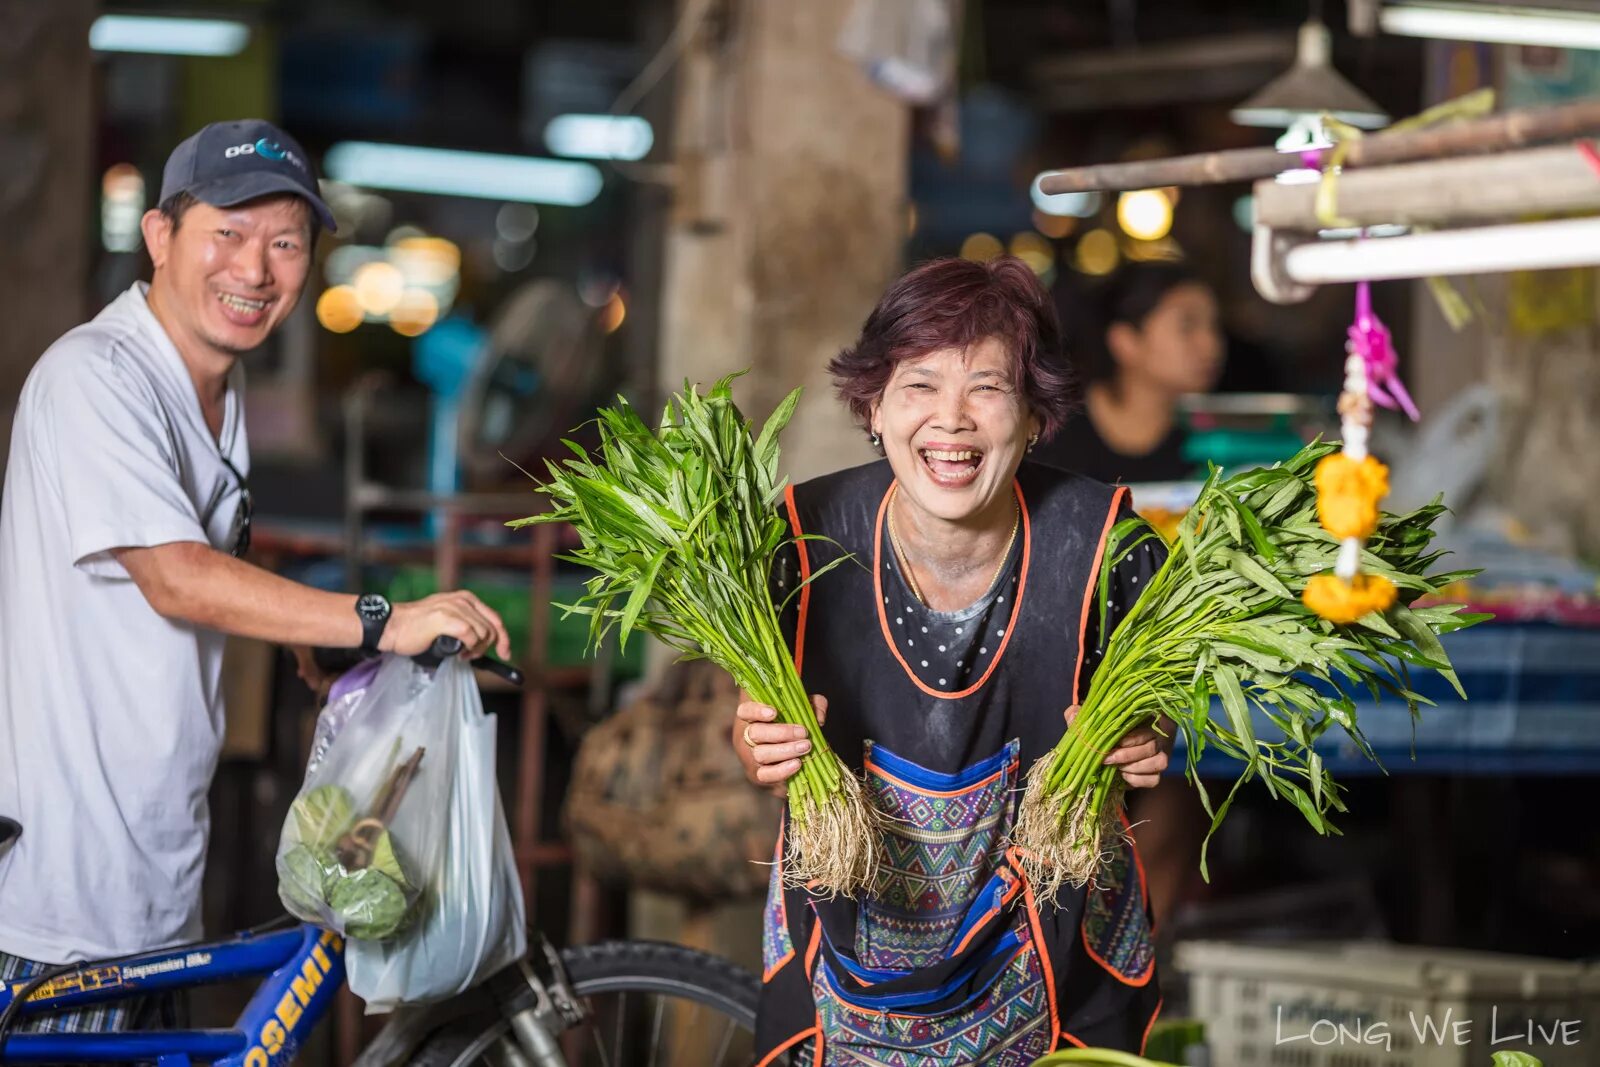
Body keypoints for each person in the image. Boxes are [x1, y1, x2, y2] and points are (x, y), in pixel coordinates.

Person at [0, 120, 511, 1030]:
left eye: (284, 244)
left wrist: (313, 653)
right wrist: (376, 619)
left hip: (152, 876)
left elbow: (196, 576)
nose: (254, 270)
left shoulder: (215, 392)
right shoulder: (95, 377)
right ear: (161, 237)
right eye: (226, 234)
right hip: (59, 897)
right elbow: (174, 576)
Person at [733, 256, 1172, 1064]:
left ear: (1036, 414)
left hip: (1054, 938)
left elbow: (1157, 720)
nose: (952, 420)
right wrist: (758, 740)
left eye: (988, 388)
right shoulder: (802, 536)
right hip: (848, 948)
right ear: (873, 404)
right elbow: (756, 718)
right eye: (920, 385)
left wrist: (1144, 740)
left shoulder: (1106, 542)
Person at [1031, 262, 1223, 483]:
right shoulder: (1054, 433)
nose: (1211, 345)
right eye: (1187, 326)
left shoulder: (1215, 441)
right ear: (1126, 341)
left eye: (1214, 326)